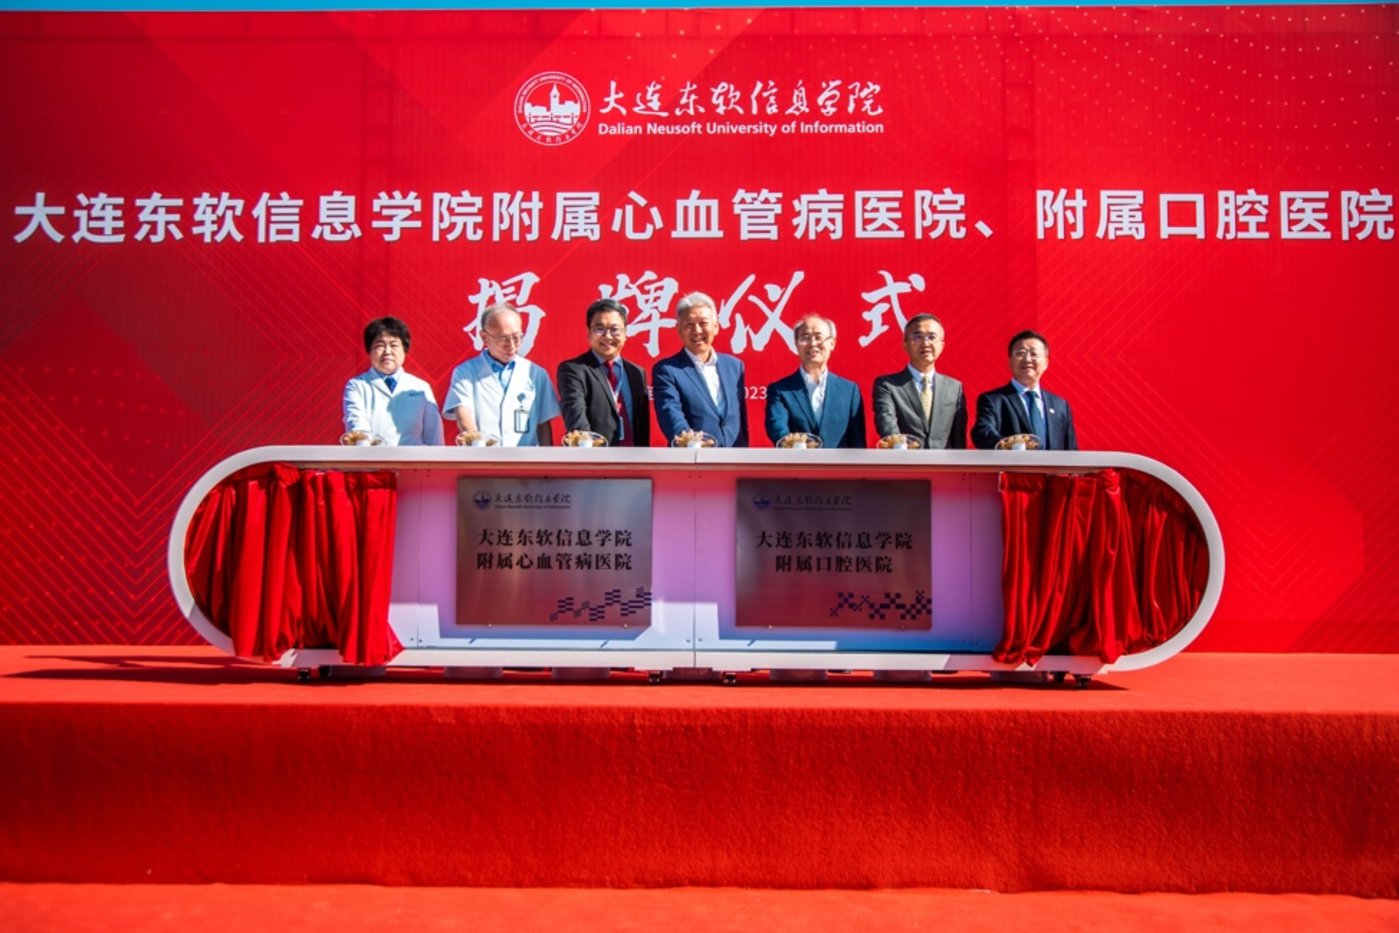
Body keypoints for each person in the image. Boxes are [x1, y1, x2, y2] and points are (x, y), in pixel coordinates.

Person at [441, 303, 560, 446]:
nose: (511, 345)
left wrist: (546, 457)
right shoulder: (465, 372)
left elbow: (543, 424)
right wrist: (477, 444)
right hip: (484, 455)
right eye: (502, 339)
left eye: (516, 337)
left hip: (526, 457)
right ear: (484, 337)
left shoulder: (536, 373)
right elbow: (463, 414)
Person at [652, 291, 748, 447]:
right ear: (678, 329)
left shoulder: (734, 366)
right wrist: (689, 442)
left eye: (703, 323)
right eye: (689, 325)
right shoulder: (667, 370)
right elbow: (669, 411)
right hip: (693, 456)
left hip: (735, 455)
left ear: (716, 327)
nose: (697, 331)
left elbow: (740, 417)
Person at [556, 298, 651, 447]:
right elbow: (575, 415)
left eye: (614, 329)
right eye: (599, 329)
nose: (607, 336)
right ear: (588, 333)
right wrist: (587, 447)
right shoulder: (573, 369)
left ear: (625, 333)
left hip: (634, 457)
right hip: (594, 457)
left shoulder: (637, 373)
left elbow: (642, 427)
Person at [764, 314, 866, 448]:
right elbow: (778, 429)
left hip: (839, 462)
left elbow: (857, 441)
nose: (812, 344)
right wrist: (794, 445)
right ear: (796, 344)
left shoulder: (849, 391)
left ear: (832, 343)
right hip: (797, 460)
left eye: (818, 337)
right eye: (805, 337)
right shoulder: (780, 390)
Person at [342, 316, 444, 446]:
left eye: (394, 345)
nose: (387, 352)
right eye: (380, 345)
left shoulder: (421, 387)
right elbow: (357, 428)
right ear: (369, 350)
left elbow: (434, 435)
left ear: (405, 350)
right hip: (372, 457)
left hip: (414, 458)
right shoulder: (357, 386)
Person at [872, 313, 967, 449]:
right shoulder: (888, 385)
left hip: (944, 462)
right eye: (917, 337)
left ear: (942, 345)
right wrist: (902, 450)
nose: (925, 343)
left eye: (932, 337)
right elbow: (887, 425)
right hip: (905, 460)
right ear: (905, 345)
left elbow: (958, 438)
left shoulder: (954, 388)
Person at [973, 330, 1078, 450]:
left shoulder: (1060, 406)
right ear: (1010, 361)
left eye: (1034, 354)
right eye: (1020, 353)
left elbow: (1071, 450)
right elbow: (983, 433)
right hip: (1012, 462)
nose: (1027, 359)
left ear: (1046, 362)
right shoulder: (994, 400)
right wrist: (1013, 446)